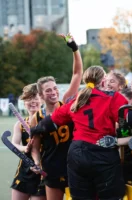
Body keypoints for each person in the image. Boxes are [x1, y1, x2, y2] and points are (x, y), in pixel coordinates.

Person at [32, 66, 128, 199]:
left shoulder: (78, 98)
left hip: (78, 154)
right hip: (103, 152)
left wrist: (34, 130)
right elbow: (127, 127)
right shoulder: (113, 98)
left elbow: (52, 120)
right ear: (103, 81)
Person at [30, 33, 83, 200]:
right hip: (52, 168)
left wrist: (74, 48)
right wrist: (37, 163)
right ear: (40, 95)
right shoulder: (37, 118)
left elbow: (77, 73)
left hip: (74, 165)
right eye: (48, 90)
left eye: (54, 88)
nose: (53, 92)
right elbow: (36, 148)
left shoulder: (66, 103)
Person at [11, 83, 46, 200]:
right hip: (24, 170)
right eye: (29, 99)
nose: (33, 102)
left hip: (43, 171)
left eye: (35, 98)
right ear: (24, 103)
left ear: (41, 99)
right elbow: (14, 143)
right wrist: (25, 148)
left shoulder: (47, 122)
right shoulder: (20, 124)